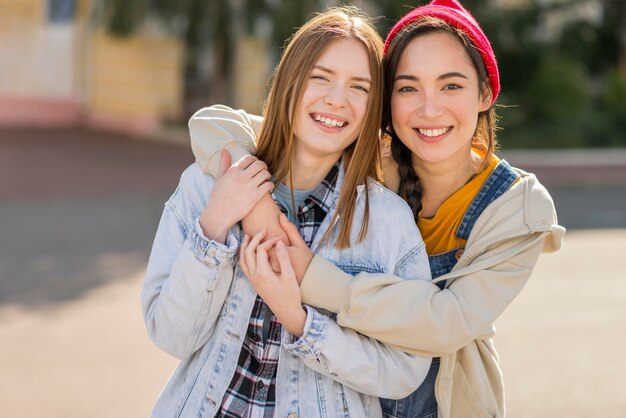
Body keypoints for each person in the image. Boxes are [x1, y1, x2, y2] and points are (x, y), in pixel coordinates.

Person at [187, 1, 565, 417]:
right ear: (387, 103)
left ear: (485, 93)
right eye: (408, 88)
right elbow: (213, 124)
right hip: (344, 392)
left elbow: (447, 323)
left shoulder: (515, 207)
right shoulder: (367, 159)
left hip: (440, 403)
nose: (429, 108)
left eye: (451, 86)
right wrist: (259, 209)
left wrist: (311, 275)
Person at [142, 6, 434, 418]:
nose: (337, 99)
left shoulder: (387, 223)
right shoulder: (209, 183)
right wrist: (214, 227)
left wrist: (300, 322)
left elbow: (405, 370)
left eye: (359, 87)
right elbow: (170, 334)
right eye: (321, 77)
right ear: (290, 81)